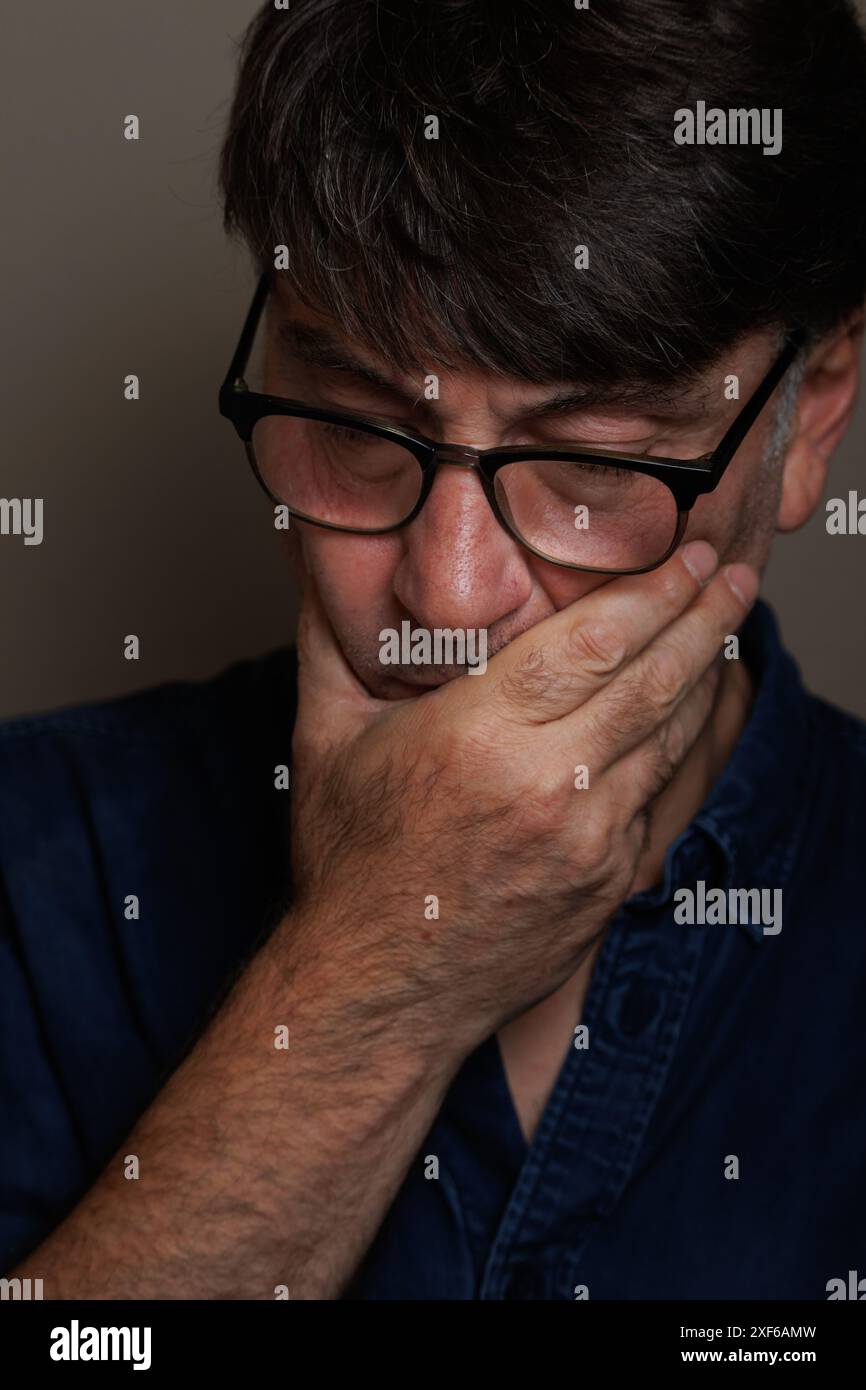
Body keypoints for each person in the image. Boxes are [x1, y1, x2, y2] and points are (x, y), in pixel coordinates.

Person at [2, 0, 866, 1301]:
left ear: (810, 422)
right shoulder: (31, 865)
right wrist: (380, 981)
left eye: (587, 464)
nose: (445, 588)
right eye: (355, 424)